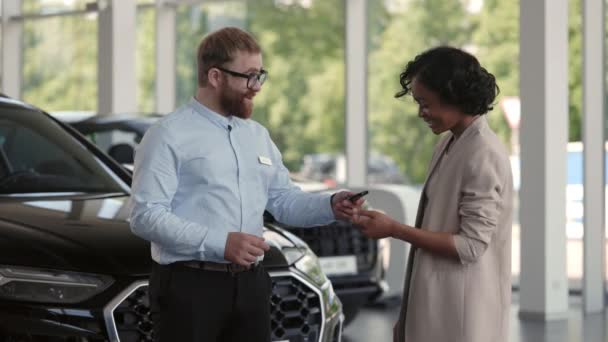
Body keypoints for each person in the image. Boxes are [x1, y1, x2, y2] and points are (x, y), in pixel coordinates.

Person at [128, 27, 362, 342]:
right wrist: (220, 242)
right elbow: (146, 216)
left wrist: (331, 205)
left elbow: (284, 201)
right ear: (215, 76)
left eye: (260, 75)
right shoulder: (167, 135)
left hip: (252, 285)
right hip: (189, 289)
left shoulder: (257, 136)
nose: (257, 87)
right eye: (249, 76)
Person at [352, 46, 513, 342]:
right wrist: (407, 317)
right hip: (435, 305)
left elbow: (470, 246)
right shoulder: (450, 143)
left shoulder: (483, 153)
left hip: (464, 315)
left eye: (425, 103)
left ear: (453, 95)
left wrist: (394, 229)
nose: (420, 113)